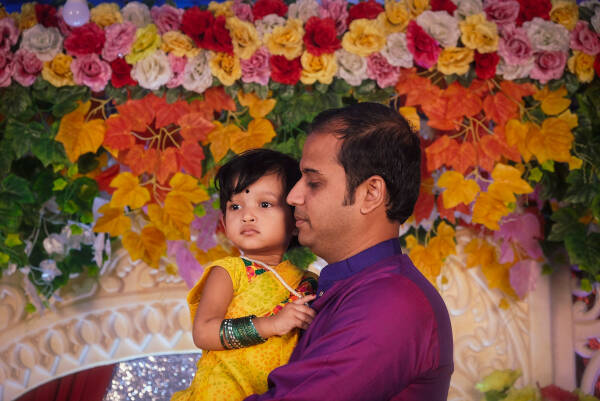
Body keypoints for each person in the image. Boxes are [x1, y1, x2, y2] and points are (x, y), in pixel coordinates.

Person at [245, 102, 454, 401]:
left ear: (370, 194)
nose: (293, 196)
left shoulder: (392, 303)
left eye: (314, 182)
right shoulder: (354, 288)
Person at [171, 149, 317, 401]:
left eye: (264, 204)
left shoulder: (307, 282)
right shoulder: (229, 272)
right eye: (236, 206)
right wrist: (270, 325)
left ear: (296, 218)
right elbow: (203, 332)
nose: (247, 215)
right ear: (224, 222)